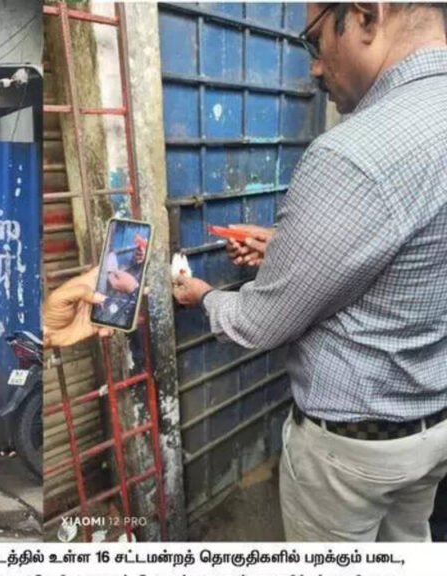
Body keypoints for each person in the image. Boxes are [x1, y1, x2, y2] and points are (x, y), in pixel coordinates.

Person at [173, 3, 447, 542]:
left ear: (366, 15)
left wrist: (202, 296)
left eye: (313, 41)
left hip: (352, 455)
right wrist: (291, 246)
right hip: (432, 430)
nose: (315, 68)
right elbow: (418, 243)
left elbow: (262, 323)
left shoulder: (355, 153)